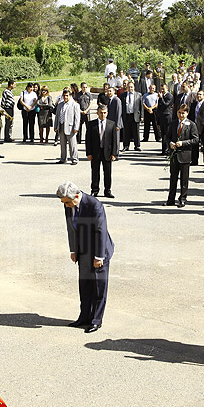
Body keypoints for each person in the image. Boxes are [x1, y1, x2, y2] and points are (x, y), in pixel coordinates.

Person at [57, 180, 115, 334]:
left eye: (68, 202)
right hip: (83, 251)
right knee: (84, 285)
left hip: (98, 251)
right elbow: (71, 228)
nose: (66, 205)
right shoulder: (68, 204)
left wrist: (99, 256)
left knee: (98, 287)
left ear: (76, 196)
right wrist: (73, 250)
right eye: (64, 202)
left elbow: (100, 231)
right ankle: (84, 317)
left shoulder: (94, 205)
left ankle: (96, 320)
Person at [166, 104, 199, 208]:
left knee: (184, 179)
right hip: (174, 155)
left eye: (183, 113)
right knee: (173, 178)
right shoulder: (173, 123)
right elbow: (167, 137)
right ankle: (170, 199)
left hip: (185, 155)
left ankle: (183, 199)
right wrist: (170, 143)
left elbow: (195, 139)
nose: (181, 115)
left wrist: (183, 143)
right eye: (179, 113)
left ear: (187, 113)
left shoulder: (191, 125)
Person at [85, 104, 119, 198]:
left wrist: (114, 153)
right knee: (95, 172)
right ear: (97, 113)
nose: (103, 115)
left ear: (107, 113)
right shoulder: (91, 124)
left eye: (104, 113)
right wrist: (89, 153)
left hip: (107, 152)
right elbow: (88, 140)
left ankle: (107, 191)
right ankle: (94, 190)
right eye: (101, 113)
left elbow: (114, 140)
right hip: (96, 152)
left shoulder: (111, 124)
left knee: (107, 173)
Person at [53, 88, 81, 165]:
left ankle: (74, 159)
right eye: (64, 95)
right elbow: (57, 116)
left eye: (67, 96)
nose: (65, 97)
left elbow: (77, 118)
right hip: (61, 126)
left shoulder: (75, 105)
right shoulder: (60, 105)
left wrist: (76, 127)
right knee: (62, 144)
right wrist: (55, 126)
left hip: (70, 127)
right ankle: (63, 158)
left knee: (72, 145)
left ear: (70, 96)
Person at [121, 81, 142, 152]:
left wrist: (142, 116)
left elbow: (141, 106)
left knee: (136, 131)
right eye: (129, 87)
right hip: (126, 115)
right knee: (126, 132)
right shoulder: (123, 95)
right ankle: (126, 146)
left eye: (131, 87)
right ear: (127, 87)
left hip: (135, 115)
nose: (130, 88)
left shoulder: (138, 95)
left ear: (134, 87)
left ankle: (137, 146)